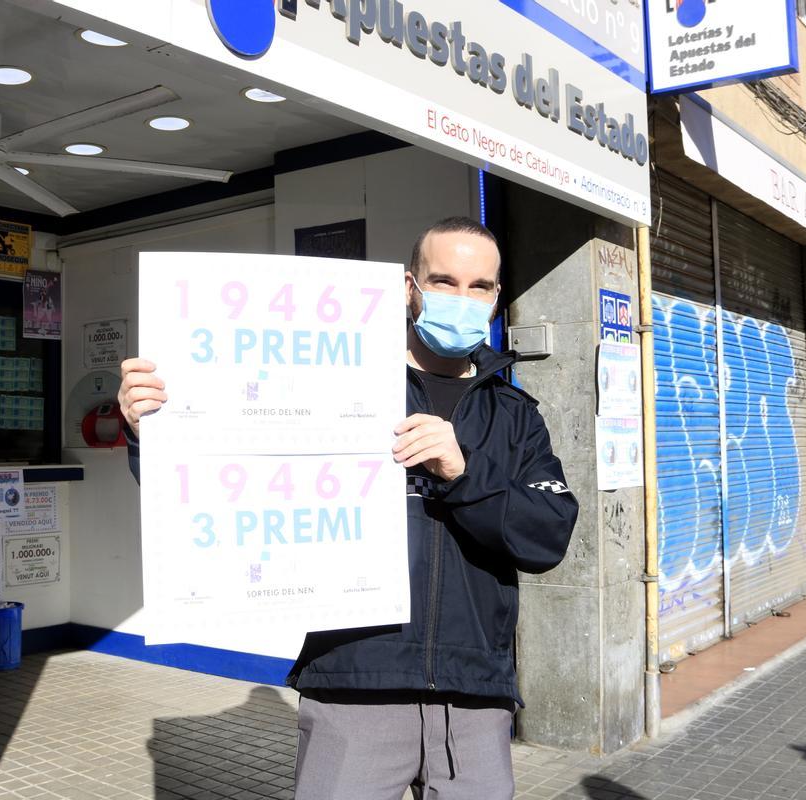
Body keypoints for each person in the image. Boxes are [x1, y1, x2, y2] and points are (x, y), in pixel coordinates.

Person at [118, 216, 578, 799]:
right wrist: (152, 427)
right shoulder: (330, 382)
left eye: (479, 286)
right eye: (443, 281)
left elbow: (547, 537)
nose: (462, 298)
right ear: (409, 287)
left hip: (474, 696)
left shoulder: (515, 414)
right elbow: (217, 478)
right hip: (353, 679)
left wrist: (463, 473)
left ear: (495, 296)